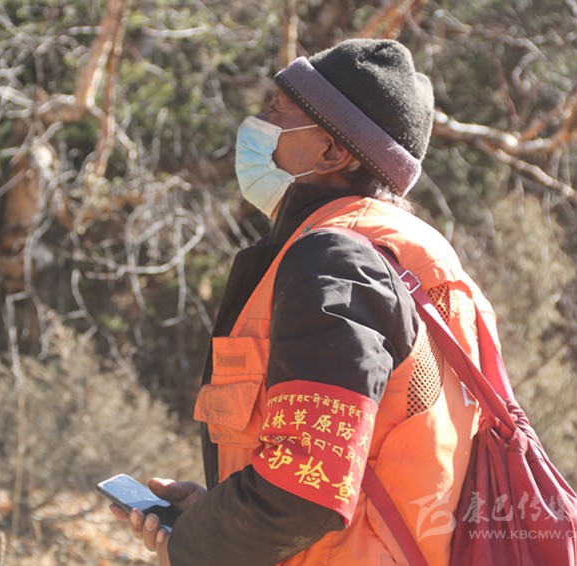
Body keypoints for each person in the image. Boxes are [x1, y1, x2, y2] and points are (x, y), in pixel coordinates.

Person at [111, 38, 496, 565]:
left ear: (333, 153)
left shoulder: (336, 261)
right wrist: (214, 513)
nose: (257, 124)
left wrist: (192, 544)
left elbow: (304, 491)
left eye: (277, 110)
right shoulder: (416, 257)